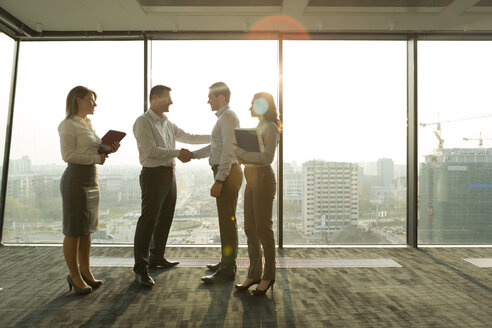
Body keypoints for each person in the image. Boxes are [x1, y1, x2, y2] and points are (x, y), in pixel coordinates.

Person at [133, 85, 210, 287]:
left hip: (169, 174)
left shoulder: (167, 123)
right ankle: (140, 268)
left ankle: (157, 256)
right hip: (152, 175)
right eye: (168, 98)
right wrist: (178, 153)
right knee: (148, 221)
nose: (171, 102)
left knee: (165, 217)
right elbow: (151, 151)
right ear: (155, 99)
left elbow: (189, 137)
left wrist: (217, 137)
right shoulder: (143, 121)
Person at [58, 86, 120, 295]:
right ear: (78, 100)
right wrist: (96, 158)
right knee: (74, 230)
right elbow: (67, 155)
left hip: (91, 178)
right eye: (91, 101)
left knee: (87, 229)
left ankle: (85, 272)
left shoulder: (88, 124)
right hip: (75, 179)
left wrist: (108, 148)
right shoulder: (68, 124)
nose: (95, 104)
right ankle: (74, 275)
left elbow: (92, 149)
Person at [193, 82, 243, 283]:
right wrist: (193, 155)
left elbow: (228, 151)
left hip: (228, 174)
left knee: (227, 222)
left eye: (210, 97)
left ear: (220, 97)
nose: (208, 101)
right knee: (226, 222)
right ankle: (226, 261)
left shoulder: (228, 117)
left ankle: (228, 269)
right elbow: (216, 146)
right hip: (227, 173)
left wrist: (220, 179)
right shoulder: (224, 118)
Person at [234, 92, 280, 295]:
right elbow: (256, 156)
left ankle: (269, 276)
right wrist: (243, 156)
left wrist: (241, 153)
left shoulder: (270, 127)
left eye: (253, 104)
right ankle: (254, 273)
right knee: (250, 228)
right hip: (251, 176)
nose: (249, 108)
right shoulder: (259, 127)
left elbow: (267, 157)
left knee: (263, 229)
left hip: (262, 178)